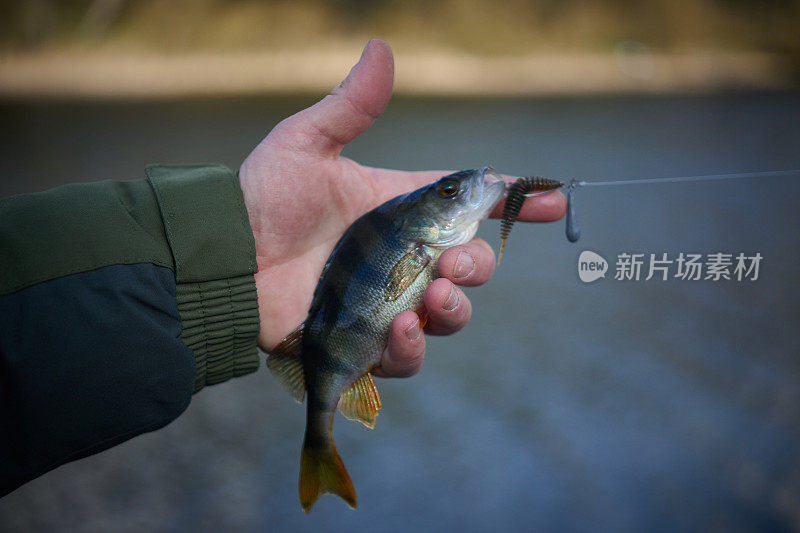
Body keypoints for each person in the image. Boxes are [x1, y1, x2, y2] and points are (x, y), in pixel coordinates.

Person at [0, 39, 565, 496]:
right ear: (425, 223)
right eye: (447, 193)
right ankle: (320, 447)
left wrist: (228, 255)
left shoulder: (417, 236)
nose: (460, 191)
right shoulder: (411, 239)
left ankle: (322, 437)